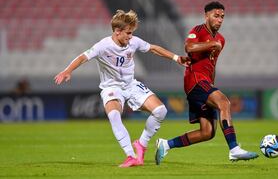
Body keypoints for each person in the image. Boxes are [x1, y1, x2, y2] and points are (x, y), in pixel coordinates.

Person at [54, 9, 189, 168]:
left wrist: (176, 58)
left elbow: (153, 48)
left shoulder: (133, 42)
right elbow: (83, 57)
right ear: (117, 32)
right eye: (128, 33)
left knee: (161, 111)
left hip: (131, 85)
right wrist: (67, 70)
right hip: (112, 88)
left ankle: (141, 144)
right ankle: (130, 156)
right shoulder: (103, 46)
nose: (130, 37)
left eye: (131, 33)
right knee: (114, 115)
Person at [155, 1, 258, 165]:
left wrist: (211, 85)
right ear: (207, 16)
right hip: (195, 79)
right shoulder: (198, 31)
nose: (220, 19)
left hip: (205, 82)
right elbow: (188, 47)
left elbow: (212, 65)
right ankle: (234, 149)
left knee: (207, 132)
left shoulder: (221, 40)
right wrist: (211, 44)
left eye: (222, 17)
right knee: (224, 103)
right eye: (216, 16)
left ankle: (166, 144)